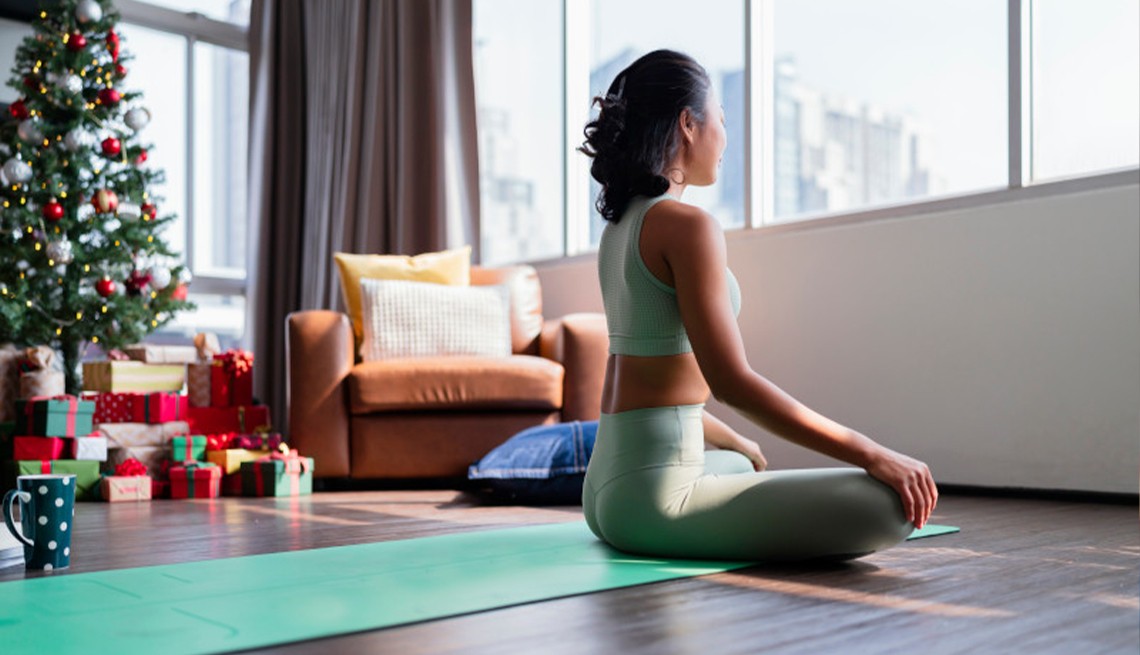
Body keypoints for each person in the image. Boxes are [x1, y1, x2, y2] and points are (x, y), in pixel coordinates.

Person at [578, 49, 938, 561]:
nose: (724, 138)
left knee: (745, 463)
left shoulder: (620, 228)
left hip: (606, 491)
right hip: (656, 500)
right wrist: (874, 453)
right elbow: (732, 384)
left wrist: (736, 442)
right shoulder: (688, 227)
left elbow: (654, 386)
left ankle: (728, 461)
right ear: (688, 124)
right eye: (720, 120)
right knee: (889, 502)